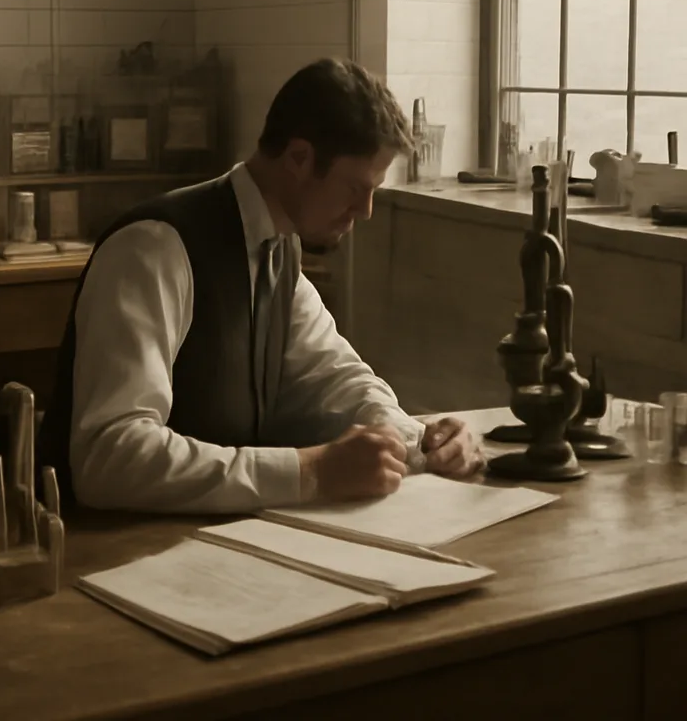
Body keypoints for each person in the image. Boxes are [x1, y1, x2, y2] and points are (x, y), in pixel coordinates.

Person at [39, 58, 483, 513]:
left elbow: (336, 377)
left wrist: (419, 441)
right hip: (99, 557)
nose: (366, 210)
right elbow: (109, 458)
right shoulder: (155, 249)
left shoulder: (278, 250)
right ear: (298, 159)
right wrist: (310, 471)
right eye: (354, 188)